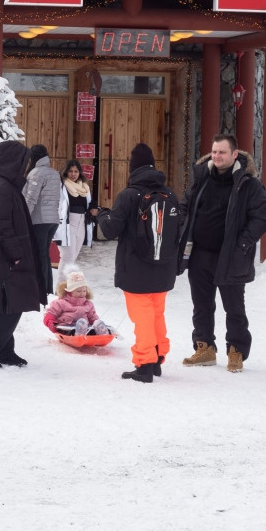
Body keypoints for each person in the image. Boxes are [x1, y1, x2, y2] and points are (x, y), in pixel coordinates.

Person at [176, 134, 266, 373]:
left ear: (234, 154)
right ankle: (205, 347)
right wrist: (184, 230)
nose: (217, 156)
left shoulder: (249, 184)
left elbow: (260, 218)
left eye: (222, 152)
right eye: (214, 151)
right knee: (202, 305)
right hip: (200, 254)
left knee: (234, 307)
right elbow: (185, 205)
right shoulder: (201, 178)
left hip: (232, 256)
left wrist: (243, 245)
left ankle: (236, 351)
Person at [96, 143, 178, 384]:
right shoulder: (169, 194)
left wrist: (102, 214)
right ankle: (157, 357)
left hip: (135, 268)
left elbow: (111, 229)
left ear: (133, 169)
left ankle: (143, 364)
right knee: (156, 314)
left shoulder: (129, 195)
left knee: (141, 316)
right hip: (163, 267)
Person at [0, 140, 46, 368]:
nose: (25, 168)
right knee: (14, 305)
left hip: (4, 256)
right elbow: (2, 225)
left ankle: (5, 350)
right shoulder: (3, 187)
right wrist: (16, 254)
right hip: (6, 258)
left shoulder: (5, 184)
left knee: (10, 303)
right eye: (23, 163)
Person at [23, 143, 63, 294]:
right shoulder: (54, 173)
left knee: (39, 254)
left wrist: (25, 218)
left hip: (39, 220)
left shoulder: (36, 173)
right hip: (53, 219)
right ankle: (46, 288)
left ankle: (40, 289)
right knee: (44, 254)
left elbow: (31, 199)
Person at [43, 269, 111, 336]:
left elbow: (92, 317)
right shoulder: (60, 303)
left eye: (84, 291)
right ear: (69, 291)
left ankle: (101, 332)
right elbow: (51, 313)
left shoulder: (88, 304)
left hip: (85, 328)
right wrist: (50, 322)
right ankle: (78, 334)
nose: (82, 293)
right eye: (78, 291)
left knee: (92, 327)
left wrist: (95, 322)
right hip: (66, 327)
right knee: (70, 331)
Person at [58, 159, 98, 270]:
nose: (73, 174)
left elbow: (90, 202)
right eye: (70, 171)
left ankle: (68, 285)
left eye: (76, 171)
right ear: (66, 172)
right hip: (68, 223)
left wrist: (93, 208)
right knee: (67, 258)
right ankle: (61, 286)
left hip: (82, 224)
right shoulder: (62, 186)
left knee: (73, 258)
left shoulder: (84, 187)